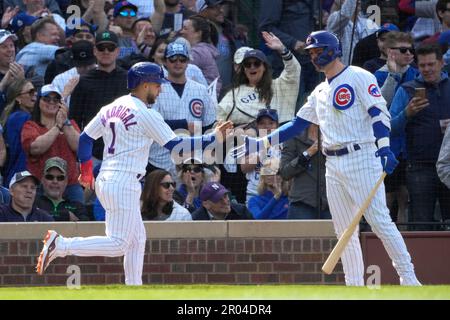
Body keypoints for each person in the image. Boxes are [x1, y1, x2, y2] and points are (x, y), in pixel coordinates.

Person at [234, 30, 420, 286]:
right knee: (344, 230)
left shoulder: (359, 75)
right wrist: (263, 141)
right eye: (311, 52)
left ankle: (409, 279)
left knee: (380, 222)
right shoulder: (320, 90)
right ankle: (354, 284)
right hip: (332, 164)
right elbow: (297, 125)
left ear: (332, 49)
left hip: (362, 155)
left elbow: (379, 113)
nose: (314, 56)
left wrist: (385, 147)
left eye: (317, 51)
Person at [35, 61, 232, 285]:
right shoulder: (144, 112)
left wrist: (87, 170)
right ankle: (61, 245)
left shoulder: (111, 107)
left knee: (138, 238)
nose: (160, 89)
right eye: (157, 84)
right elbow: (176, 146)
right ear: (145, 84)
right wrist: (212, 138)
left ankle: (134, 288)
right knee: (119, 243)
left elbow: (86, 139)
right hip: (123, 180)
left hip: (108, 178)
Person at [390, 43, 450, 231]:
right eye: (422, 65)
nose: (427, 69)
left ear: (441, 63)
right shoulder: (407, 90)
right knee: (421, 225)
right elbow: (389, 128)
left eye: (431, 64)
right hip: (419, 167)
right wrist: (406, 113)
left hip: (449, 166)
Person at [147, 41, 216, 176]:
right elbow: (151, 124)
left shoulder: (200, 89)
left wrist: (210, 155)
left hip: (193, 161)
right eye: (173, 59)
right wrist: (183, 124)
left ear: (188, 62)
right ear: (165, 62)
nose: (177, 63)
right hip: (160, 158)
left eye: (182, 59)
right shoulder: (155, 88)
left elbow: (210, 125)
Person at [217, 32, 300, 126]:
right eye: (247, 64)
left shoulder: (280, 85)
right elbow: (219, 120)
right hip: (246, 137)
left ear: (264, 67)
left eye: (256, 63)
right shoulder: (232, 94)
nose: (252, 67)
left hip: (280, 136)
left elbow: (294, 70)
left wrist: (282, 50)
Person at [69, 31, 128, 162]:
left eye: (110, 48)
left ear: (117, 51)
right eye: (101, 48)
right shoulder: (83, 82)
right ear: (95, 51)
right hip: (94, 154)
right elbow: (75, 120)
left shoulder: (129, 80)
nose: (106, 52)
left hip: (126, 152)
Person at [21, 84, 83, 203]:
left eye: (56, 99)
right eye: (46, 99)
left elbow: (79, 147)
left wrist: (65, 122)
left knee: (79, 218)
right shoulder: (31, 126)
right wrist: (57, 126)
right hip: (40, 185)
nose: (51, 102)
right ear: (39, 101)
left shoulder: (70, 124)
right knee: (41, 220)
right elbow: (36, 148)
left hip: (70, 184)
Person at [259, 0, 320, 110]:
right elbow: (266, 29)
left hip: (311, 61)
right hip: (287, 64)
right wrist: (293, 42)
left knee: (313, 107)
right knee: (290, 111)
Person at [279, 124, 331, 220]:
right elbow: (285, 172)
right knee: (299, 235)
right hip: (302, 203)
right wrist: (310, 151)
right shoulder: (293, 135)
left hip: (332, 203)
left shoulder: (336, 134)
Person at [1, 79, 36, 187]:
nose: (34, 94)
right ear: (18, 98)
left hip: (18, 177)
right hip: (20, 177)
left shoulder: (15, 116)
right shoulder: (20, 118)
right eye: (30, 92)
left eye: (34, 91)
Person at [240, 108, 280, 203]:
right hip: (254, 194)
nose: (267, 126)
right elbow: (244, 168)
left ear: (277, 125)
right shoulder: (251, 142)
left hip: (278, 194)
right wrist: (264, 148)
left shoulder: (284, 143)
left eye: (271, 123)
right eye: (262, 123)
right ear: (257, 126)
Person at [35, 157, 91, 221]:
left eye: (60, 178)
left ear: (66, 181)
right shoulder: (33, 203)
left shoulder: (77, 207)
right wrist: (66, 215)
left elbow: (85, 227)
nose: (55, 181)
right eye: (50, 177)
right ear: (42, 179)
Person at [44, 18, 96, 84]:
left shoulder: (101, 58)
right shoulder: (59, 62)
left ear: (94, 40)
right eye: (80, 36)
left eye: (88, 37)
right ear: (72, 39)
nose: (84, 39)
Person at [326, 0, 378, 65]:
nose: (358, 1)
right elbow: (345, 14)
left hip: (366, 71)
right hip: (345, 71)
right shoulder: (334, 20)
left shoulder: (370, 23)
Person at [180, 15, 221, 96]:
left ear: (198, 33)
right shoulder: (203, 49)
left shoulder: (198, 52)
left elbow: (177, 69)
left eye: (185, 29)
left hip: (204, 99)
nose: (181, 31)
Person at [51, 40, 97, 107]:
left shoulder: (105, 75)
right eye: (81, 65)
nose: (87, 69)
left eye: (89, 64)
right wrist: (65, 95)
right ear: (74, 63)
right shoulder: (60, 79)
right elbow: (53, 107)